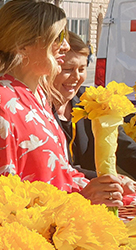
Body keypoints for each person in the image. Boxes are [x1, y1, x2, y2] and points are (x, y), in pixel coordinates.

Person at [0, 0, 133, 206]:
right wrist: (83, 198)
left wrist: (105, 185)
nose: (65, 46)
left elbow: (59, 175)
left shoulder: (35, 95)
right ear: (23, 46)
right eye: (58, 37)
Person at [52, 32, 136, 179]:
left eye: (82, 69)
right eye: (67, 69)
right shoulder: (35, 108)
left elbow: (125, 149)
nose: (77, 77)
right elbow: (56, 168)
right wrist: (104, 180)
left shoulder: (94, 101)